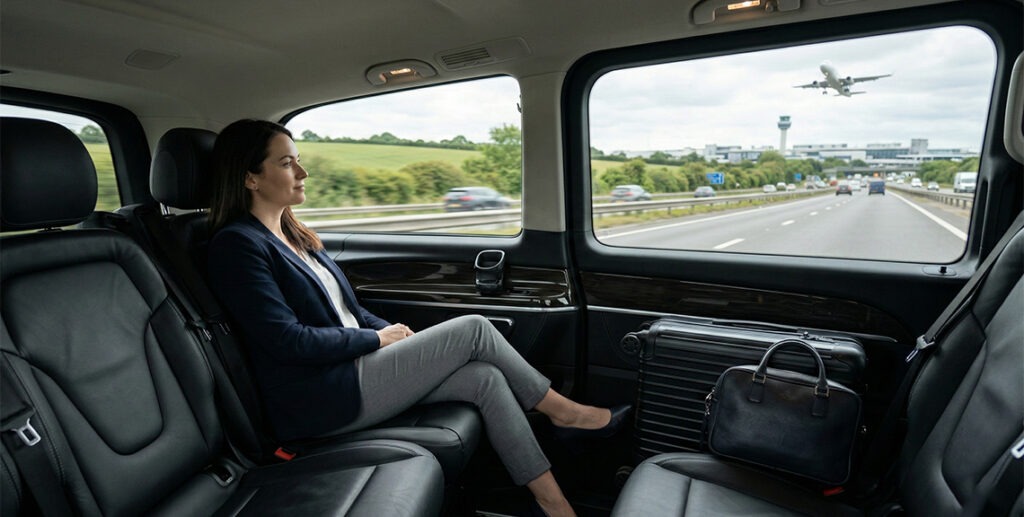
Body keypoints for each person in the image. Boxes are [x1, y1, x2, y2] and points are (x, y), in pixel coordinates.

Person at [206, 119, 629, 517]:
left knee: (485, 378)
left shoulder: (297, 236)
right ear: (250, 177)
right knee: (474, 329)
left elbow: (348, 313)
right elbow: (286, 340)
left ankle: (556, 507)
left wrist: (387, 332)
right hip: (320, 396)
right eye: (286, 162)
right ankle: (570, 415)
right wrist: (378, 341)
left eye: (297, 158)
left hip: (354, 369)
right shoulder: (238, 246)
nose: (302, 171)